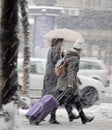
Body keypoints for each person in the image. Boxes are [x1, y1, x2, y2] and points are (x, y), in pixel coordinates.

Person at [56, 40, 94, 124]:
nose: (82, 51)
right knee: (76, 98)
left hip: (64, 81)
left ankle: (72, 115)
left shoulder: (68, 55)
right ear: (79, 49)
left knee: (70, 99)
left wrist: (77, 78)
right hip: (68, 82)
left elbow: (72, 71)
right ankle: (82, 118)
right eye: (81, 50)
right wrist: (70, 83)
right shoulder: (74, 58)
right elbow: (70, 71)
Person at [42, 38, 64, 124]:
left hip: (48, 74)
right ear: (59, 42)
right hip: (53, 75)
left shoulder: (50, 49)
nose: (63, 44)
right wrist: (62, 57)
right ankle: (52, 117)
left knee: (46, 95)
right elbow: (57, 62)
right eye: (62, 42)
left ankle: (40, 112)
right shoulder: (56, 49)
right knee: (54, 96)